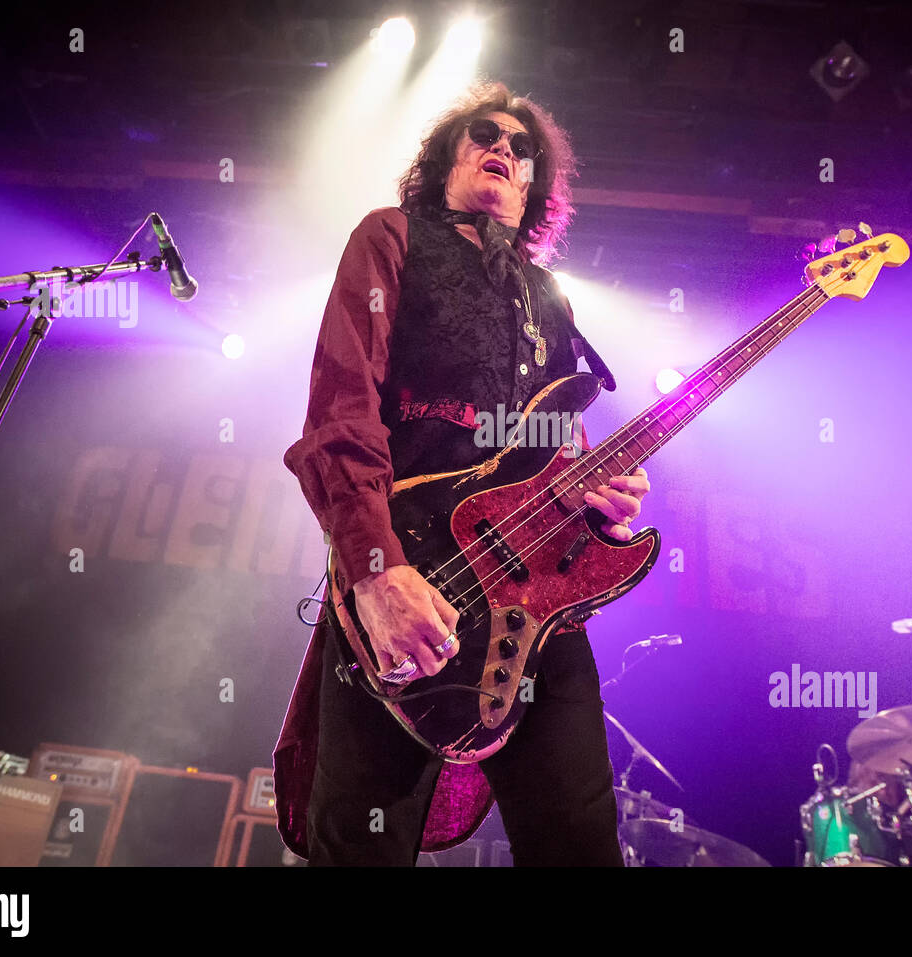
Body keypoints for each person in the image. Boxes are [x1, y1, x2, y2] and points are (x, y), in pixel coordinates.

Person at [275, 81, 651, 866]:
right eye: (486, 135)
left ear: (532, 188)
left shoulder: (553, 302)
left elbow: (558, 454)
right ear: (448, 156)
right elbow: (342, 413)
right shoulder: (392, 237)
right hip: (410, 572)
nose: (504, 151)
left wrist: (598, 502)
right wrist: (378, 575)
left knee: (581, 845)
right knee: (361, 844)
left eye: (522, 151)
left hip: (538, 611)